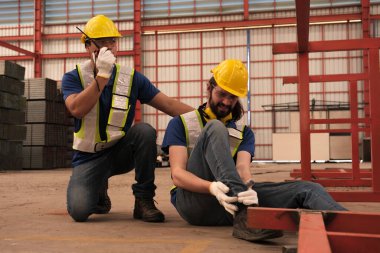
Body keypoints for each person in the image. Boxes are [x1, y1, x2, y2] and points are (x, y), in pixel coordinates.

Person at [161, 59, 347, 242]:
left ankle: (355, 224)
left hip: (229, 205)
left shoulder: (244, 133)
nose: (226, 101)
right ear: (209, 89)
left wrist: (247, 187)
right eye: (222, 94)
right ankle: (246, 216)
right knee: (216, 127)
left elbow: (242, 169)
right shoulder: (182, 124)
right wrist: (211, 187)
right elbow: (177, 175)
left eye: (232, 97)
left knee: (307, 188)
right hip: (195, 203)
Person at [61, 15, 193, 223]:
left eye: (112, 41)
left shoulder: (131, 78)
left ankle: (143, 200)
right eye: (102, 42)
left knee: (144, 132)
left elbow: (168, 105)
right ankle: (98, 189)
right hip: (89, 157)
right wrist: (102, 76)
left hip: (120, 152)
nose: (109, 47)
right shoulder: (73, 77)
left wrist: (207, 119)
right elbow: (76, 109)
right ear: (88, 46)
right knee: (79, 211)